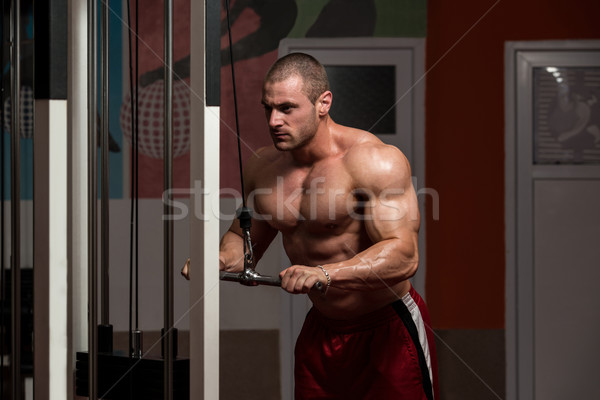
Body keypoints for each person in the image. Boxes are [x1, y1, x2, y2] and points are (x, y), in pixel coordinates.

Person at [183, 52, 438, 399]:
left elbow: (404, 255)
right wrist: (217, 260)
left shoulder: (373, 160)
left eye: (287, 108)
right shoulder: (262, 166)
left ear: (323, 103)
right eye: (268, 108)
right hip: (322, 331)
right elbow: (244, 243)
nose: (274, 120)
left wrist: (326, 273)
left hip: (386, 328)